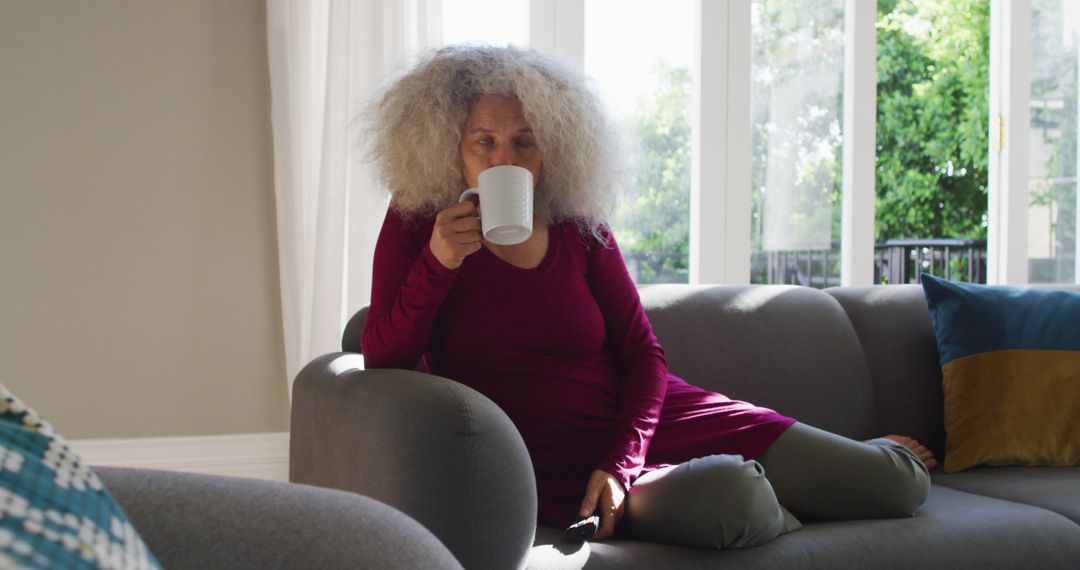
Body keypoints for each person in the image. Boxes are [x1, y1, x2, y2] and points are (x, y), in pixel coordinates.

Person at [360, 45, 935, 549]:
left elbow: (644, 353)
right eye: (484, 141)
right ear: (453, 148)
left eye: (525, 141)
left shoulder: (578, 225)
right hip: (548, 465)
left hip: (644, 429)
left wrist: (620, 459)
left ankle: (860, 459)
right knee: (736, 501)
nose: (504, 160)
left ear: (550, 149)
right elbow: (383, 356)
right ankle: (767, 493)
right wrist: (439, 263)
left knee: (899, 485)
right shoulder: (419, 224)